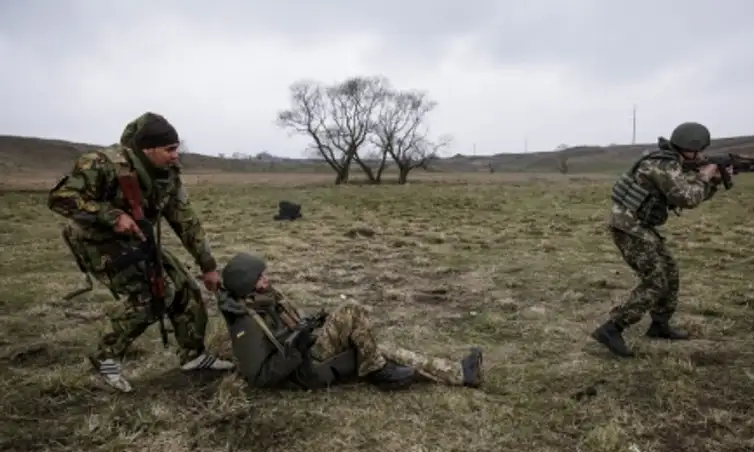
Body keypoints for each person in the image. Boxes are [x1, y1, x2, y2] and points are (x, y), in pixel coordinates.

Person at [47, 112, 234, 392]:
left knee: (186, 288)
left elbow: (185, 220)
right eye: (169, 149)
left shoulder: (167, 175)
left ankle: (193, 356)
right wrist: (111, 216)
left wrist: (208, 266)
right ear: (148, 149)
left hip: (137, 237)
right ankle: (106, 358)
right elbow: (60, 198)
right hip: (96, 241)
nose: (176, 155)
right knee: (153, 296)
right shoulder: (102, 163)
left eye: (176, 148)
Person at [217, 253, 484, 390]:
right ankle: (377, 371)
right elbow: (259, 377)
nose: (267, 279)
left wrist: (309, 326)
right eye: (261, 277)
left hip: (307, 350)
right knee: (351, 310)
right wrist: (296, 348)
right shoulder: (246, 323)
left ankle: (459, 373)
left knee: (379, 349)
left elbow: (288, 328)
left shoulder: (267, 299)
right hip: (302, 369)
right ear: (246, 284)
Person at [591, 122, 731, 358]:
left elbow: (689, 195)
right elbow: (687, 198)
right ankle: (612, 328)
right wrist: (705, 177)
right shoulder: (663, 165)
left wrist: (713, 181)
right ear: (691, 146)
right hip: (629, 228)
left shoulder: (670, 161)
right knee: (656, 281)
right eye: (699, 150)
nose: (701, 155)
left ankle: (659, 324)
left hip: (639, 226)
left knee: (670, 271)